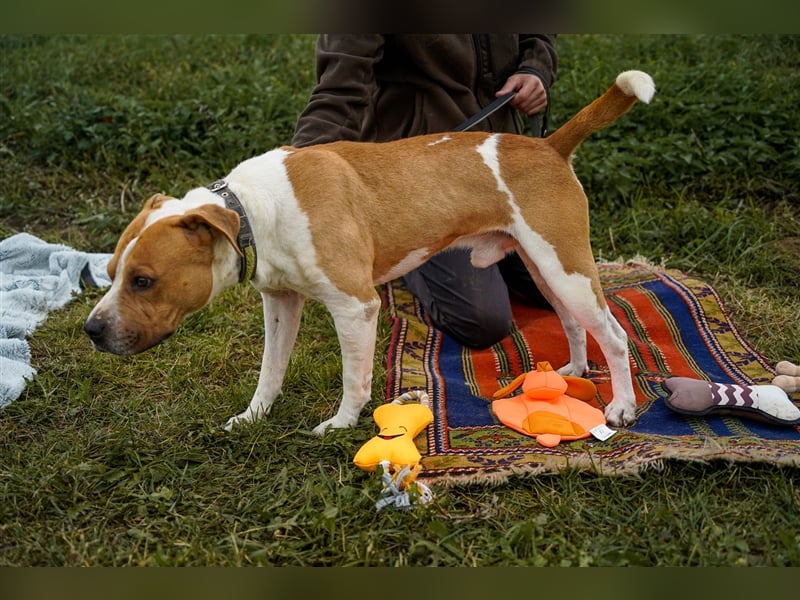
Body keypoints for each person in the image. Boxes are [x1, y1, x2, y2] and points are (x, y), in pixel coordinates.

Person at [292, 34, 557, 349]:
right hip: (422, 183)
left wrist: (535, 68)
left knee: (564, 288)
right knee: (483, 321)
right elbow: (339, 91)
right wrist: (295, 175)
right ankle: (394, 254)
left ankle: (489, 250)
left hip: (501, 162)